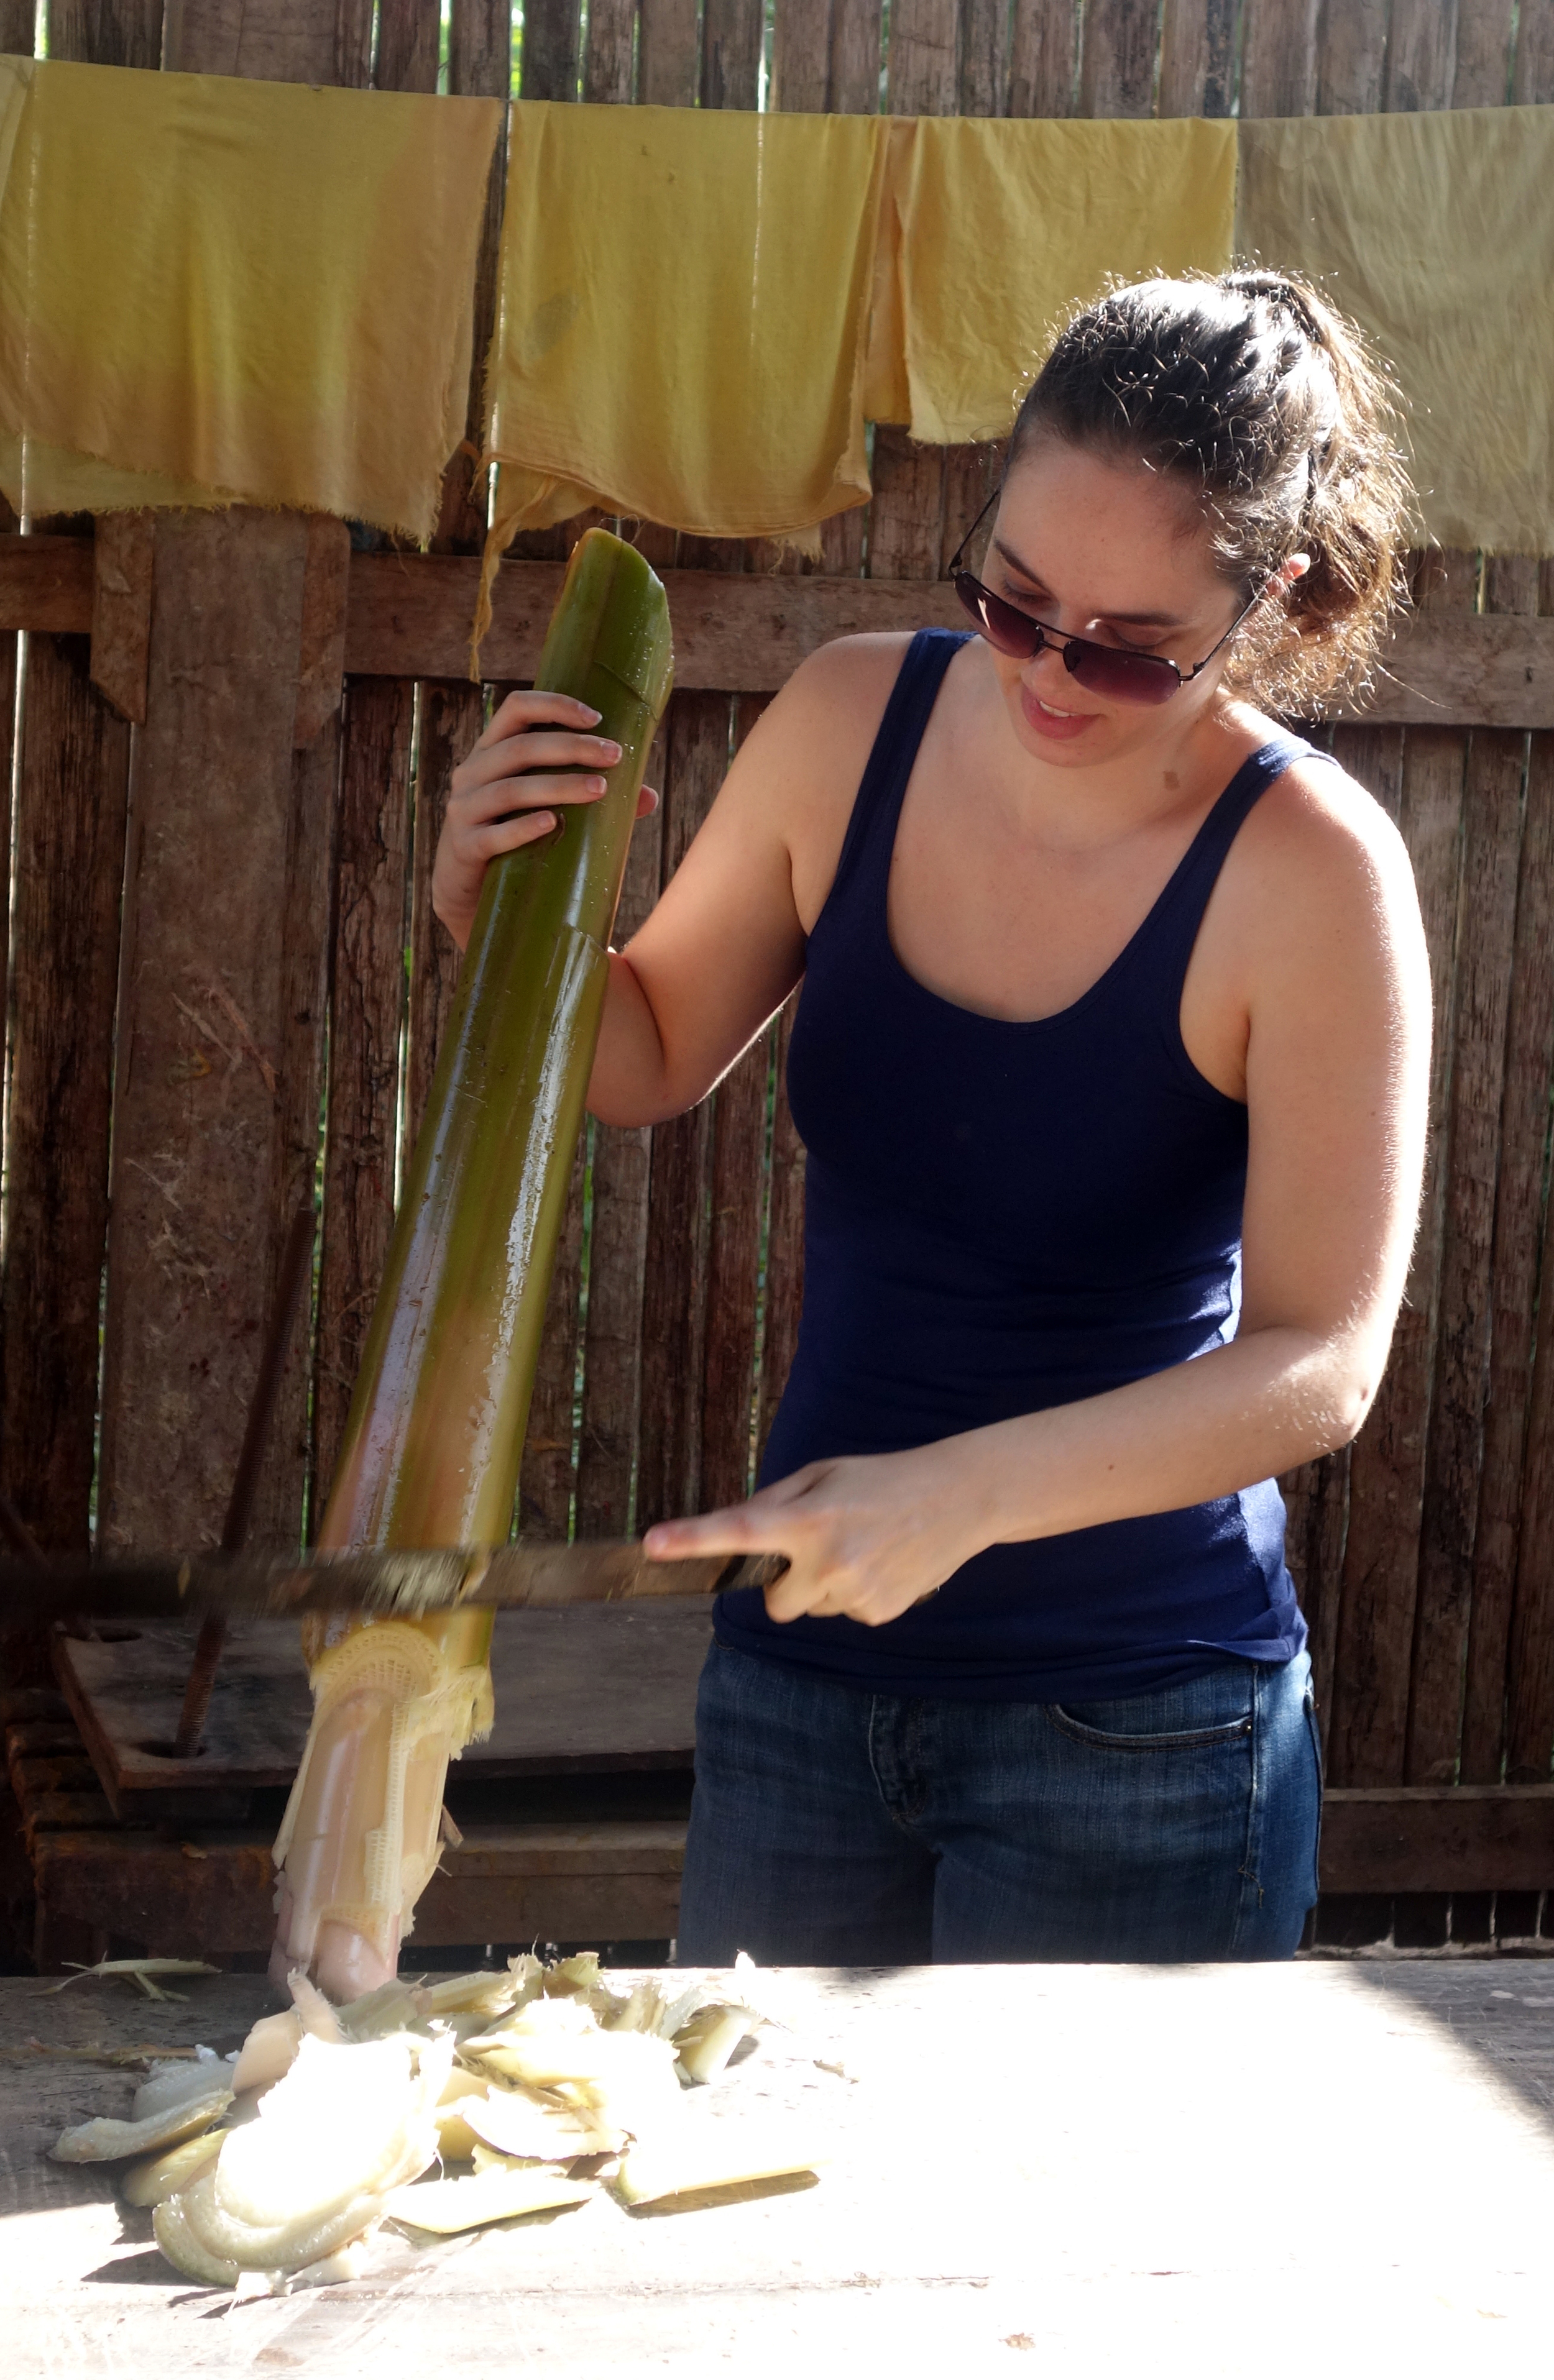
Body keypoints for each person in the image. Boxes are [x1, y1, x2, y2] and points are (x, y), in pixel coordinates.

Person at [433, 270, 1430, 1966]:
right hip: (799, 1687)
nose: (1046, 672)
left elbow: (1316, 1366)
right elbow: (646, 1049)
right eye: (1013, 600)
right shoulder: (847, 718)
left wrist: (957, 1498)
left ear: (1261, 601)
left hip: (1139, 1729)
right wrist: (493, 913)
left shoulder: (1314, 875)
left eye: (1128, 649)